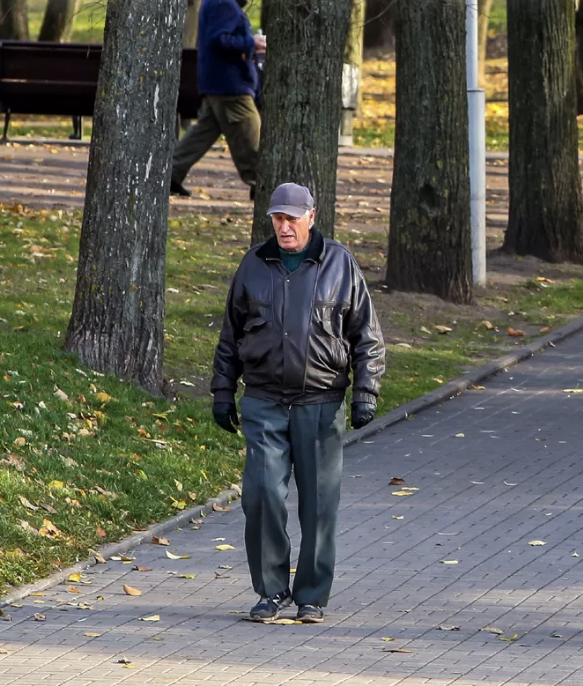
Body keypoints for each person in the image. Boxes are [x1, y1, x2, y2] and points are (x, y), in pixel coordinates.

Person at [211, 182, 386, 623]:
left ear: (311, 215)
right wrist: (221, 390)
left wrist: (365, 391)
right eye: (277, 218)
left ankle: (311, 595)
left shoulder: (340, 264)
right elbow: (231, 336)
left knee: (318, 502)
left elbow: (366, 335)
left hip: (321, 403)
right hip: (265, 400)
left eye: (292, 217)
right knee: (262, 495)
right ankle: (271, 591)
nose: (284, 226)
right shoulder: (253, 264)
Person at [170, 0, 265, 198]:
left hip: (219, 83)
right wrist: (252, 43)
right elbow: (219, 39)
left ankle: (171, 173)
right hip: (230, 85)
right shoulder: (223, 3)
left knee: (201, 134)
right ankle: (263, 184)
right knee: (250, 133)